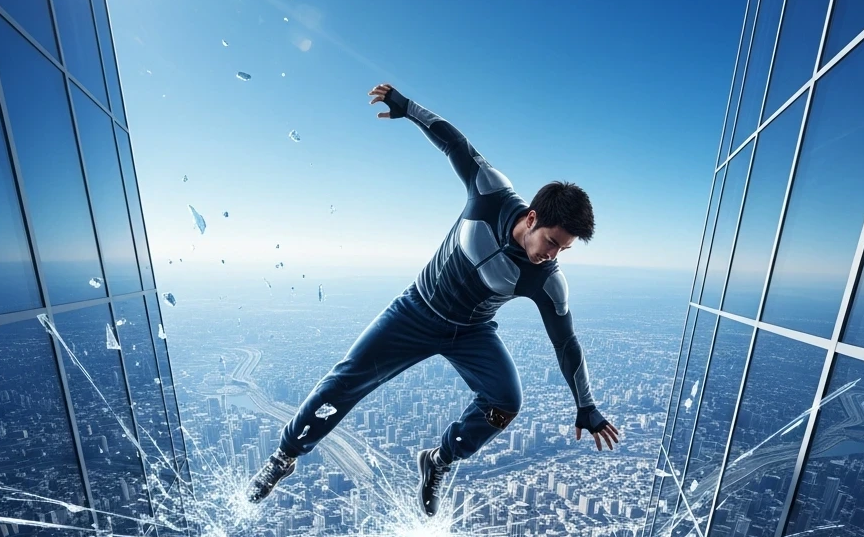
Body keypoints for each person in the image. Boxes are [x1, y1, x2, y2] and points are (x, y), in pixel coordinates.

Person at [247, 83, 619, 513]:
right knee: (344, 382)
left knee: (505, 404)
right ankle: (284, 457)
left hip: (472, 333)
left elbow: (566, 344)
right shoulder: (491, 193)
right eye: (552, 242)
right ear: (532, 217)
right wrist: (406, 107)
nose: (553, 255)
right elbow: (455, 143)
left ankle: (438, 460)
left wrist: (586, 405)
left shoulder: (548, 279)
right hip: (415, 312)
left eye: (563, 250)